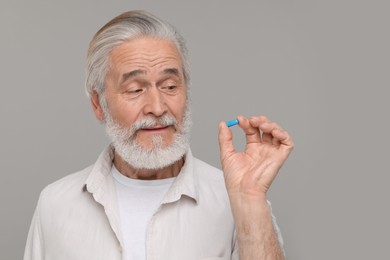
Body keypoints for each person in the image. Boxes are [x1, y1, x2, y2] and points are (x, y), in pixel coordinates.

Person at [24, 10, 293, 260]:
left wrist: (249, 201)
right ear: (98, 104)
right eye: (135, 89)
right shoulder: (56, 204)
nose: (157, 107)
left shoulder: (236, 198)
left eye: (170, 86)